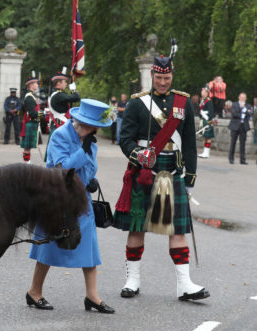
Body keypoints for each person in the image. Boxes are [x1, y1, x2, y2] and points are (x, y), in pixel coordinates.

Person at [113, 55, 210, 302]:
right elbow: (124, 140)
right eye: (159, 78)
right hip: (145, 172)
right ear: (152, 76)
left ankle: (184, 285)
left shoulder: (183, 102)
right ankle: (132, 280)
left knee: (178, 230)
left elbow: (189, 143)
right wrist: (138, 155)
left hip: (174, 171)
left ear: (172, 76)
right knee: (137, 227)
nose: (163, 82)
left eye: (167, 78)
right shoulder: (137, 104)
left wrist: (190, 179)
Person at [26, 98, 114, 314]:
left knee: (90, 246)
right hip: (57, 197)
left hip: (81, 198)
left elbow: (89, 166)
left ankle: (92, 296)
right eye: (96, 126)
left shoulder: (89, 139)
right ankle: (34, 292)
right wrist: (83, 152)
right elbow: (61, 168)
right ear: (84, 123)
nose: (97, 131)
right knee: (48, 246)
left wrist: (90, 178)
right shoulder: (60, 135)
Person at [20, 71, 42, 163]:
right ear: (31, 85)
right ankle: (27, 163)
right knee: (27, 147)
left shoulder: (32, 96)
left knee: (28, 147)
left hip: (32, 123)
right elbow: (32, 113)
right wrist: (42, 113)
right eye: (36, 83)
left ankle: (27, 162)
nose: (37, 85)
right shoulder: (29, 97)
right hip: (30, 123)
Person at [228, 92, 252, 165]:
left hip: (243, 126)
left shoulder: (248, 106)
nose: (242, 99)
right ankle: (231, 159)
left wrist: (244, 111)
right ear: (239, 97)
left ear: (246, 98)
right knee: (233, 142)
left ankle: (242, 159)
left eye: (244, 97)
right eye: (241, 97)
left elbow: (249, 114)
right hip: (235, 125)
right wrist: (244, 111)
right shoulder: (234, 104)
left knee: (243, 144)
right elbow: (234, 114)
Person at [198, 87, 215, 158]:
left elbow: (211, 113)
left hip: (207, 121)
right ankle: (205, 152)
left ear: (206, 92)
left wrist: (209, 122)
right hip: (203, 120)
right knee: (205, 137)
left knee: (208, 137)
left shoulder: (209, 101)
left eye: (203, 91)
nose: (201, 92)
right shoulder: (203, 100)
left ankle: (207, 153)